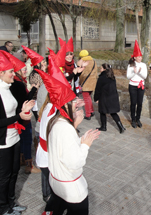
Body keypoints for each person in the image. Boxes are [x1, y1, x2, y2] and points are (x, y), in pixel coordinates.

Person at [36, 70, 100, 215]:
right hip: (72, 189)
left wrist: (78, 138)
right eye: (72, 103)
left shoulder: (55, 120)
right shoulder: (65, 128)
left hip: (58, 182)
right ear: (64, 105)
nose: (75, 105)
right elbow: (74, 162)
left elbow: (62, 148)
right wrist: (85, 145)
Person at [0, 39, 35, 215]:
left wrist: (24, 110)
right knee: (4, 176)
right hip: (1, 142)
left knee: (14, 173)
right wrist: (17, 116)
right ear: (0, 73)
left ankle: (11, 203)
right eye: (11, 72)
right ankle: (1, 209)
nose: (14, 74)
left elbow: (13, 111)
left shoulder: (8, 88)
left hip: (14, 137)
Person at [0, 51, 41, 174]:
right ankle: (29, 165)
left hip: (17, 116)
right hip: (22, 116)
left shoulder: (13, 83)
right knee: (27, 139)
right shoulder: (17, 84)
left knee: (22, 139)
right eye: (22, 69)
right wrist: (34, 88)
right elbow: (25, 99)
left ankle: (22, 159)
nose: (25, 71)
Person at [94, 63, 126, 133]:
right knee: (113, 113)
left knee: (102, 112)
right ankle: (121, 127)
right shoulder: (112, 77)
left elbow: (98, 89)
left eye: (101, 68)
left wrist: (96, 98)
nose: (100, 69)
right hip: (112, 97)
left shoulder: (101, 78)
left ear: (104, 69)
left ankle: (103, 126)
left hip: (104, 98)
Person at [127, 40, 148, 128]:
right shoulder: (131, 65)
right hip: (133, 86)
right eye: (138, 57)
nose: (140, 58)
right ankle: (133, 119)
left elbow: (145, 76)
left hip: (141, 86)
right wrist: (134, 73)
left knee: (140, 103)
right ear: (135, 57)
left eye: (140, 56)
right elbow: (128, 76)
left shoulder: (143, 65)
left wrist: (139, 72)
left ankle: (138, 118)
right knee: (133, 103)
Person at [78, 50, 98, 120]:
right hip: (93, 82)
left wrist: (79, 81)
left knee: (86, 99)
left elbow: (83, 74)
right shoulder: (94, 61)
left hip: (86, 83)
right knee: (89, 97)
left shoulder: (84, 62)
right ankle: (91, 111)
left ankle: (88, 114)